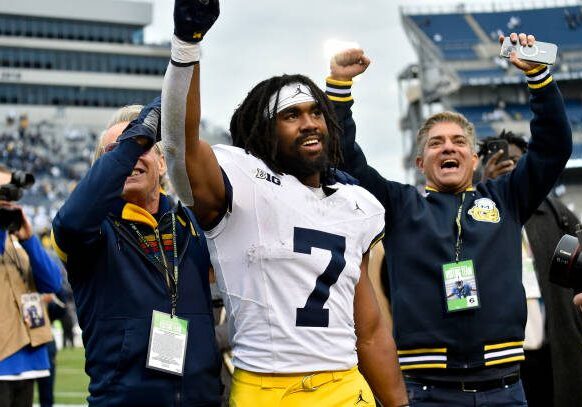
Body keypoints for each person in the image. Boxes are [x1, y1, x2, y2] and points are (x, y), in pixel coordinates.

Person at [161, 1, 408, 406]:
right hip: (268, 388)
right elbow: (178, 145)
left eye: (315, 113)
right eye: (291, 115)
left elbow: (370, 330)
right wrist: (187, 45)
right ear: (263, 129)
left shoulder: (355, 203)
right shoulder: (241, 180)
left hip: (346, 385)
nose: (309, 123)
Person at [329, 33, 572, 406]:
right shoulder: (399, 204)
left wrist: (538, 77)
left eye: (459, 141)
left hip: (506, 388)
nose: (448, 147)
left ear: (474, 160)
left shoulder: (507, 198)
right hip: (428, 392)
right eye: (436, 142)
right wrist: (339, 89)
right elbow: (347, 159)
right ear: (419, 162)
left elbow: (552, 147)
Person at [51, 102, 222, 406]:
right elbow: (72, 222)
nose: (130, 155)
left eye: (141, 147)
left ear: (162, 164)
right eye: (116, 151)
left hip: (201, 399)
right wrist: (137, 140)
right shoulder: (91, 233)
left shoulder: (191, 225)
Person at [479, 130, 582, 407]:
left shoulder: (555, 212)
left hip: (556, 351)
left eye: (517, 160)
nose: (509, 165)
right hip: (500, 360)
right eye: (500, 159)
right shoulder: (469, 215)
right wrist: (487, 192)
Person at [0, 167, 62, 407]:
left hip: (28, 360)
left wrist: (29, 241)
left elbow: (52, 283)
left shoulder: (19, 242)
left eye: (9, 192)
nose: (6, 199)